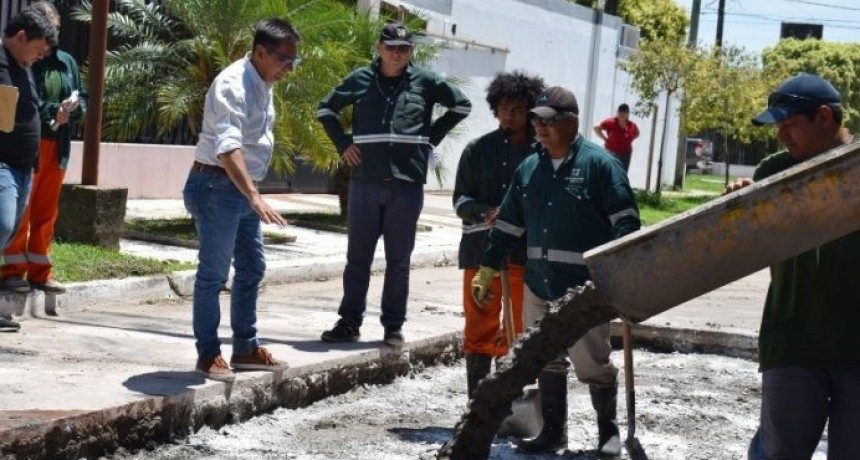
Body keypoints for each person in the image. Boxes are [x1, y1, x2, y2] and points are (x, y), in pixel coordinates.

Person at [472, 86, 640, 455]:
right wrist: (486, 266)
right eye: (536, 119)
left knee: (591, 361)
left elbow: (626, 222)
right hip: (538, 284)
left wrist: (619, 273)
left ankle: (607, 434)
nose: (540, 126)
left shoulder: (601, 165)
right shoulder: (530, 168)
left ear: (572, 122)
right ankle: (553, 432)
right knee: (546, 358)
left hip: (584, 289)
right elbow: (509, 223)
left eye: (549, 120)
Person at [724, 73, 860, 460]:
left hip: (857, 342)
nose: (782, 135)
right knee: (779, 453)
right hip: (793, 340)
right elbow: (732, 242)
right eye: (778, 127)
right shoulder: (774, 173)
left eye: (790, 125)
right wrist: (738, 205)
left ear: (823, 117)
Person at [317, 21, 471, 347]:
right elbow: (326, 109)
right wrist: (343, 144)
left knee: (399, 260)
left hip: (406, 184)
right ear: (379, 48)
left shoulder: (425, 81)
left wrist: (431, 137)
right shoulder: (361, 79)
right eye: (391, 47)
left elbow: (461, 105)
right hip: (365, 182)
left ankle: (393, 326)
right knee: (358, 257)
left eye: (404, 48)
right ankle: (349, 322)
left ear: (411, 51)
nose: (397, 53)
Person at [183, 18, 299, 381]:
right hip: (218, 186)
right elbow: (227, 148)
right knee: (213, 274)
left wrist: (251, 193)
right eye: (284, 59)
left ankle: (246, 348)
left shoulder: (263, 81)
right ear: (261, 52)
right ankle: (208, 354)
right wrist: (254, 195)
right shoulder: (233, 84)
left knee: (252, 268)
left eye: (294, 61)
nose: (289, 68)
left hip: (240, 188)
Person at [452, 71, 544, 399]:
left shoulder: (541, 155)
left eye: (518, 108)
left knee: (518, 328)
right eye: (504, 106)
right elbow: (460, 199)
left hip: (523, 255)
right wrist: (484, 211)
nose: (510, 113)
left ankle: (510, 400)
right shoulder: (477, 150)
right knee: (478, 325)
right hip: (480, 252)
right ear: (495, 108)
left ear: (530, 111)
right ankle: (478, 402)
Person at [1, 2, 85, 295]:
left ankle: (41, 271)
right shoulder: (23, 60)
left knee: (45, 212)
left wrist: (72, 110)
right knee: (13, 217)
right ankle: (12, 272)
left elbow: (80, 96)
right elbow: (25, 105)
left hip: (52, 149)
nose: (51, 39)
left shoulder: (65, 63)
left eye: (56, 30)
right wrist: (52, 111)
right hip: (20, 152)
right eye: (47, 30)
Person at [592, 103, 639, 171]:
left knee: (622, 173)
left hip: (626, 154)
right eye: (621, 112)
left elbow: (637, 133)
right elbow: (596, 128)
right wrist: (605, 139)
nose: (623, 114)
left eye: (625, 112)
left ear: (628, 114)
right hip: (611, 153)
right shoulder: (611, 122)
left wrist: (630, 140)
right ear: (618, 112)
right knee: (609, 172)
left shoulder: (631, 125)